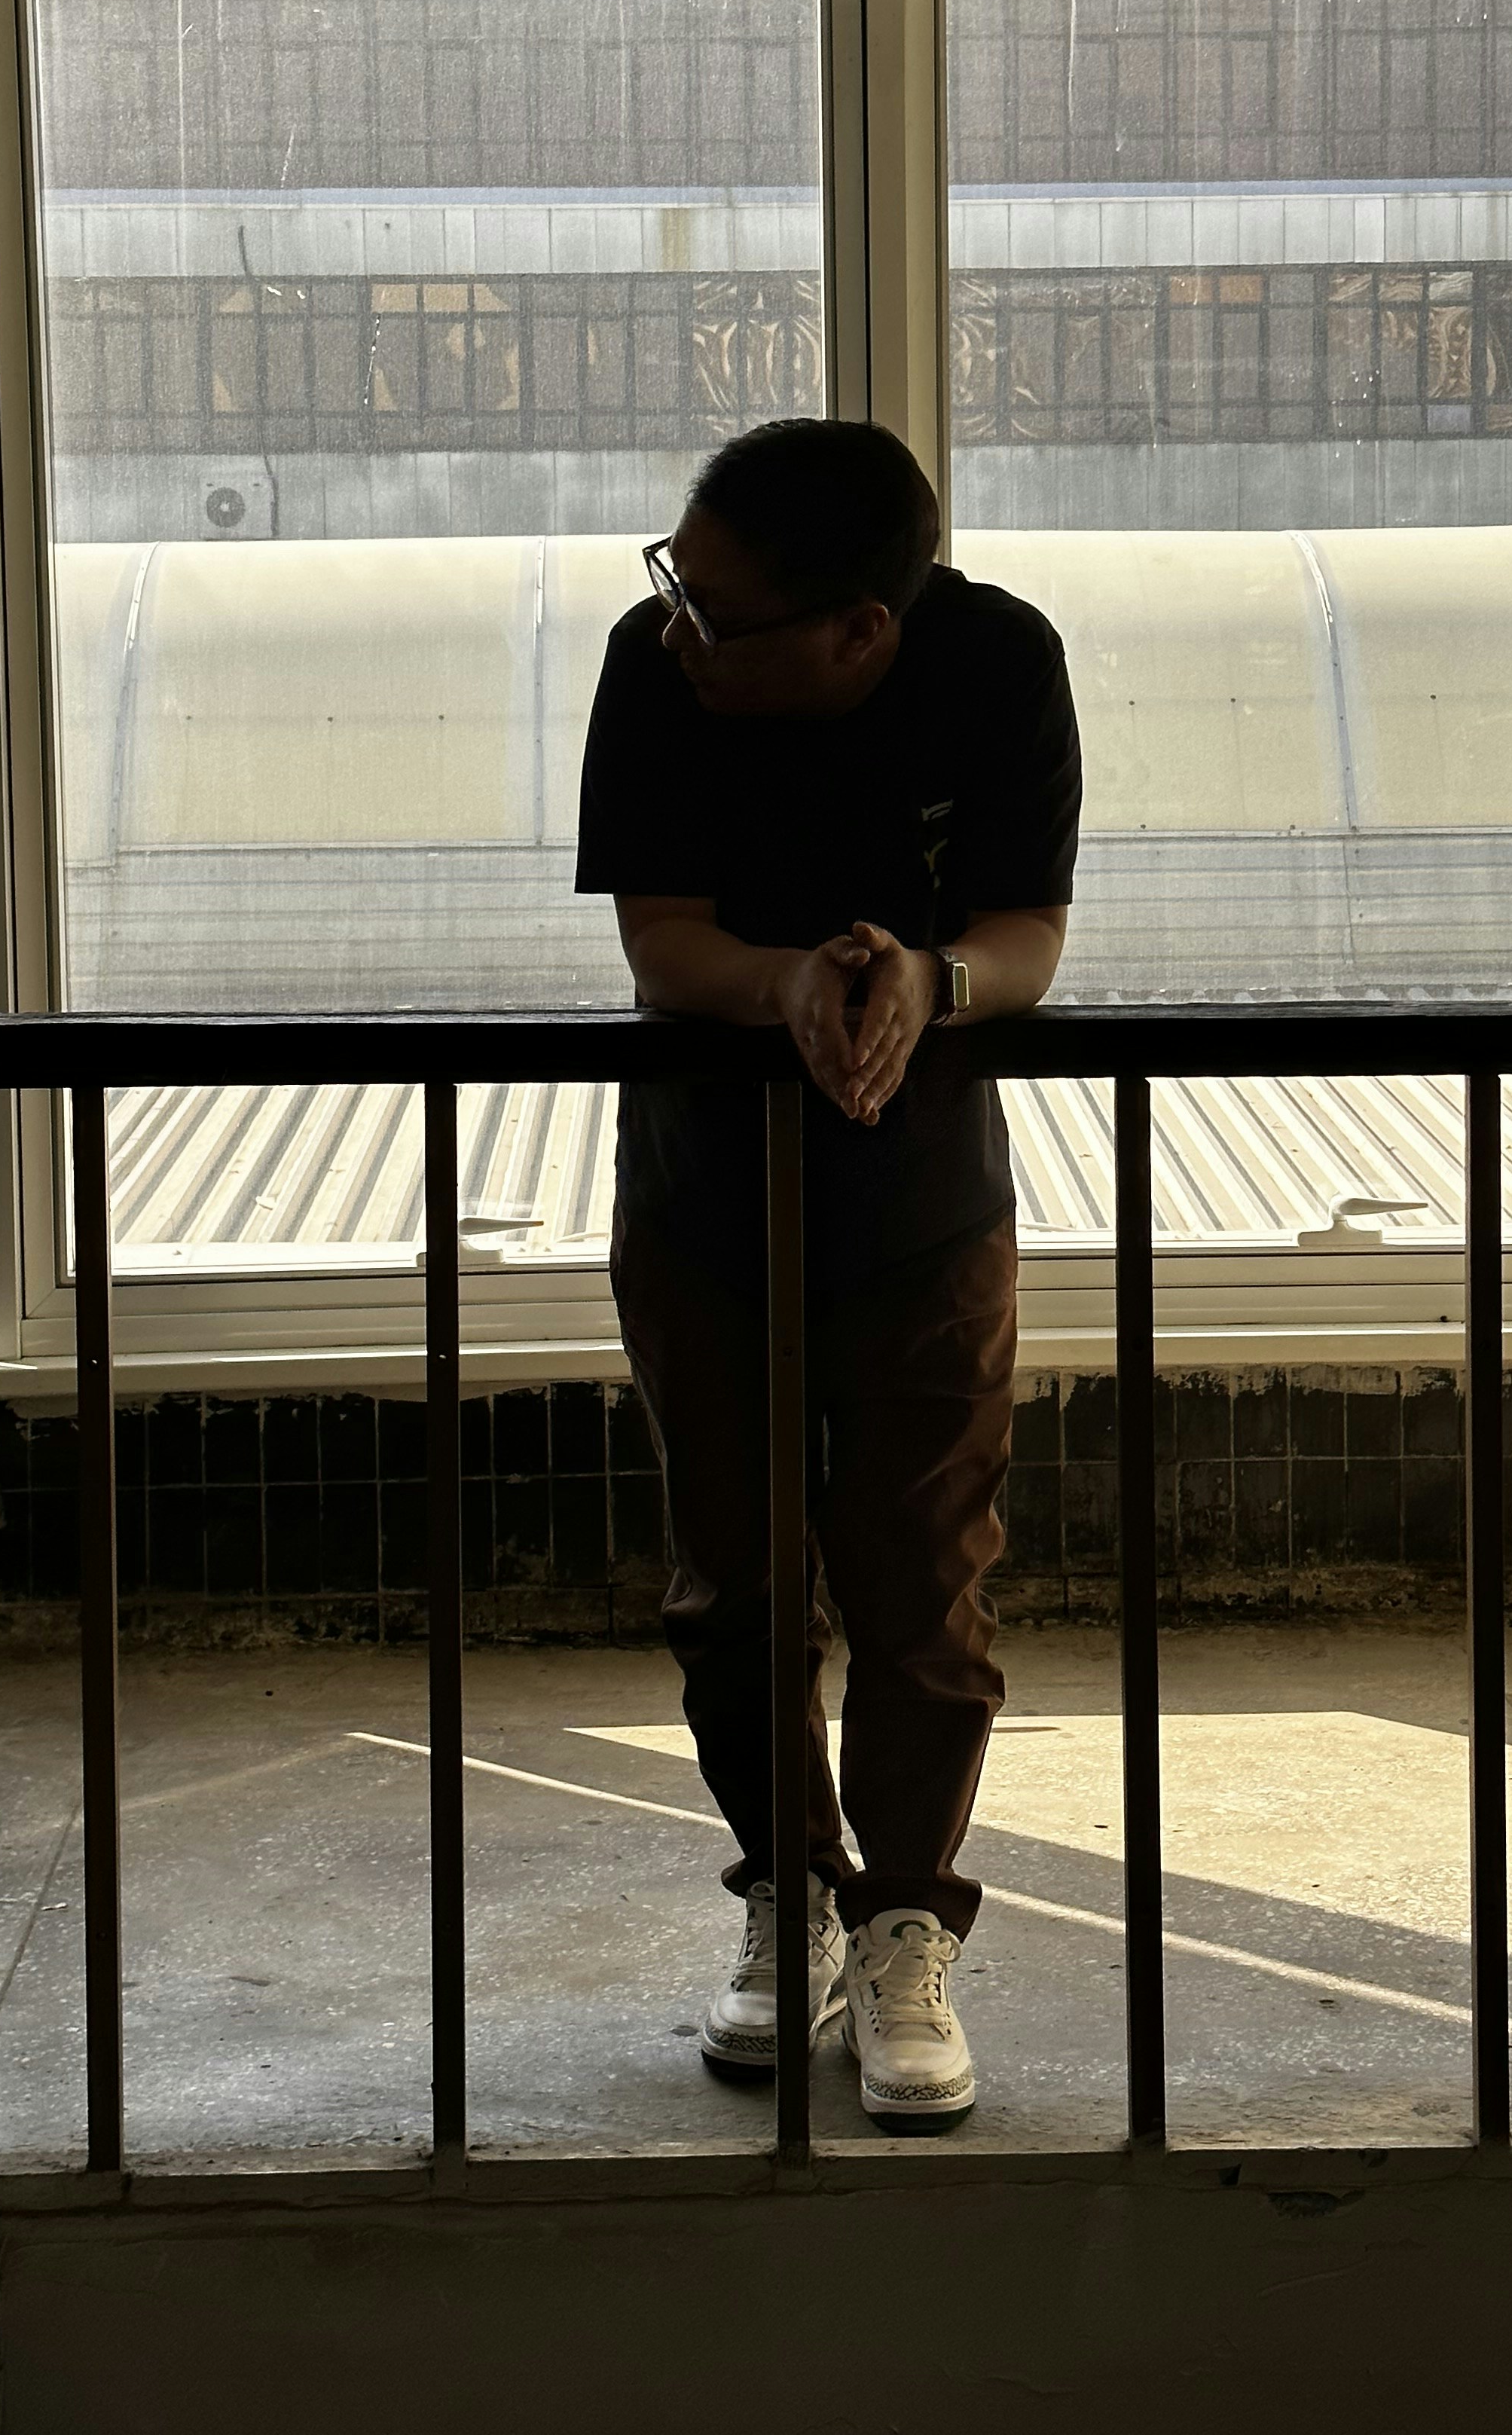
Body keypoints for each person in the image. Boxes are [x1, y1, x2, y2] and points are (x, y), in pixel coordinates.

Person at [573, 417, 1081, 2133]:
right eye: (675, 584)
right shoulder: (656, 674)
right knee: (733, 1575)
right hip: (702, 1191)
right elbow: (667, 942)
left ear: (861, 627)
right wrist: (796, 983)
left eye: (718, 608)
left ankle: (906, 1924)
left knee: (925, 1581)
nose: (678, 627)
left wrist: (922, 981)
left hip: (926, 1199)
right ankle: (783, 1892)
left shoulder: (997, 663)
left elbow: (1025, 934)